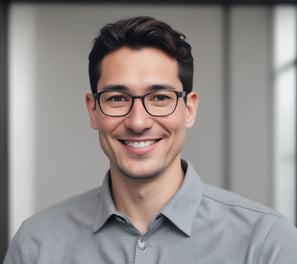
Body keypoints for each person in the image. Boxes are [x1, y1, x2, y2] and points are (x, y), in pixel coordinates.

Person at [4, 16, 297, 264]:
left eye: (159, 98)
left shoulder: (266, 242)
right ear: (93, 111)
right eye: (117, 98)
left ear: (189, 109)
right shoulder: (36, 245)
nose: (138, 122)